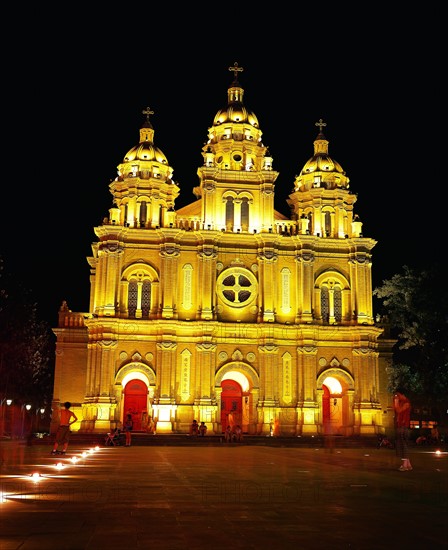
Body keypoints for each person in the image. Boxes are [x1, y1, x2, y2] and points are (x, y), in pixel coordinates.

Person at [393, 388, 413, 471]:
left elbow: (398, 410)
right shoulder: (403, 402)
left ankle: (404, 465)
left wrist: (396, 402)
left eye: (398, 395)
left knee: (403, 445)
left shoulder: (406, 403)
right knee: (402, 444)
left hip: (403, 426)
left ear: (403, 394)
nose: (397, 396)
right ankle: (408, 465)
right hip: (400, 425)